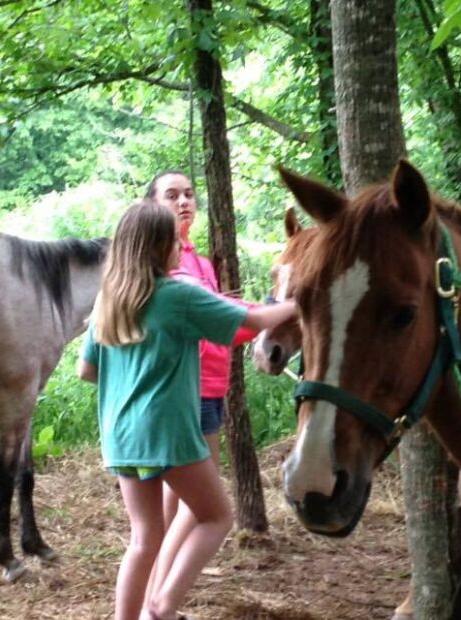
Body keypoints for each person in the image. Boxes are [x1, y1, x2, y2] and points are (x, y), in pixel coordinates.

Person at [77, 200, 296, 620]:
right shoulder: (177, 295)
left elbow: (87, 370)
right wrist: (300, 304)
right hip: (166, 431)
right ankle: (162, 607)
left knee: (143, 538)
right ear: (160, 247)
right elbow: (255, 320)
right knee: (217, 517)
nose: (182, 246)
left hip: (120, 435)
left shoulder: (109, 299)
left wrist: (132, 374)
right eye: (175, 240)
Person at [141, 171, 257, 616]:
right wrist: (271, 315)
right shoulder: (165, 266)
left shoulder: (201, 263)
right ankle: (160, 604)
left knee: (175, 508)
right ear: (152, 206)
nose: (184, 202)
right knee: (196, 505)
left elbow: (222, 323)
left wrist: (249, 324)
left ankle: (155, 602)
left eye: (189, 194)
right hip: (187, 390)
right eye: (172, 196)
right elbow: (220, 319)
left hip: (211, 384)